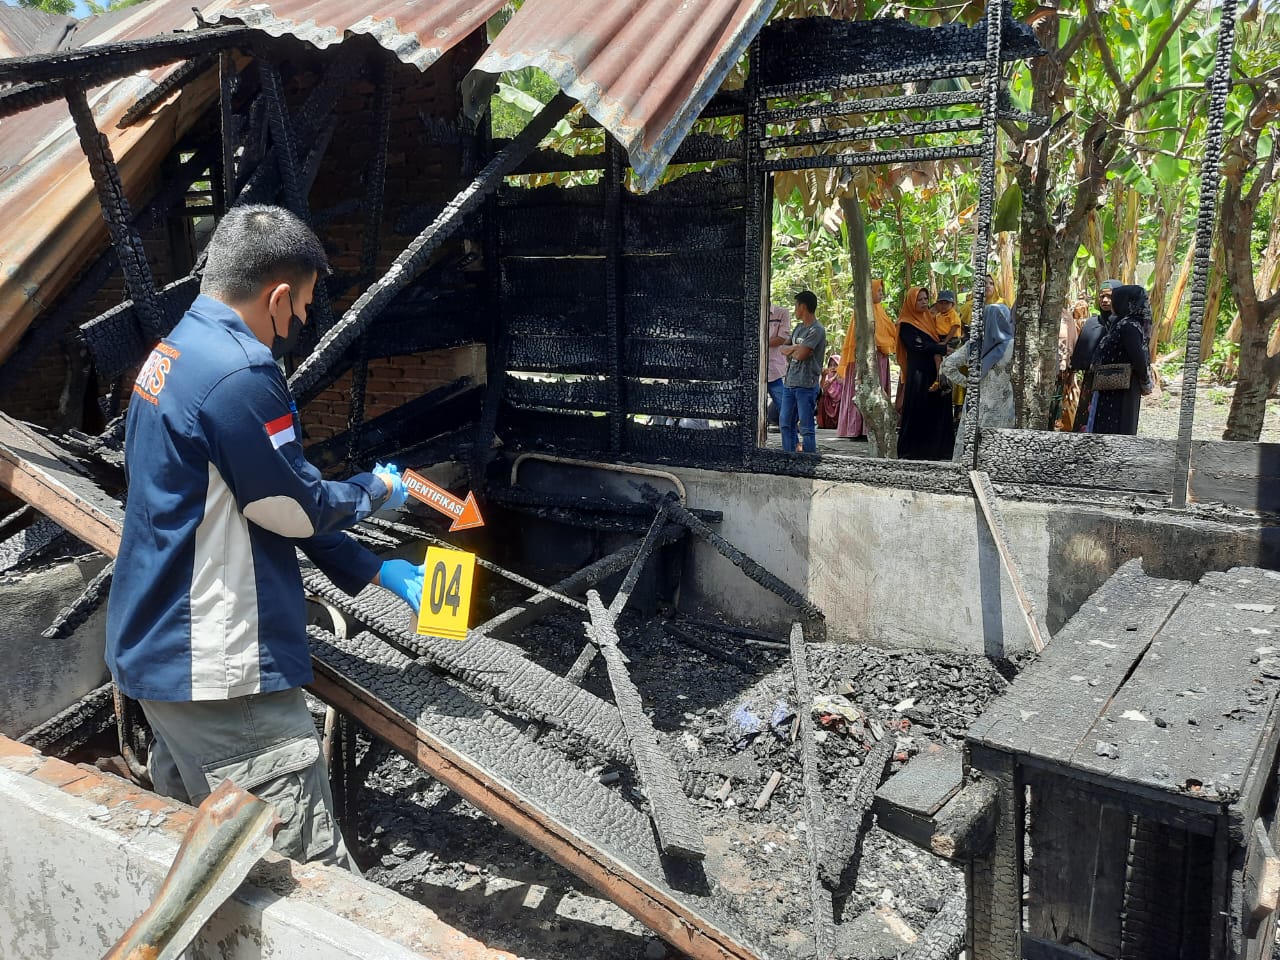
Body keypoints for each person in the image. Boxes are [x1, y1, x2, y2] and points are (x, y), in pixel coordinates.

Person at [105, 205, 425, 872]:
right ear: (279, 295)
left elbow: (257, 498)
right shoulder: (241, 373)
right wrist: (373, 491)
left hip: (163, 658)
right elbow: (294, 509)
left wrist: (371, 569)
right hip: (222, 676)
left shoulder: (175, 353)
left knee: (209, 872)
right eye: (304, 304)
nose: (302, 323)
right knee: (302, 883)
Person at [947, 303, 1015, 460]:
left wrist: (968, 382)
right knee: (998, 447)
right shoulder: (1012, 346)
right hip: (1002, 404)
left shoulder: (973, 346)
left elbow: (947, 366)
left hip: (975, 402)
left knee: (972, 444)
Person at [895, 286, 954, 460]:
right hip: (919, 372)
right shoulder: (905, 323)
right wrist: (942, 349)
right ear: (911, 302)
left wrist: (942, 347)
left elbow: (936, 337)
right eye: (919, 299)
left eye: (925, 299)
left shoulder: (929, 318)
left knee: (937, 408)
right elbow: (917, 345)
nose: (923, 303)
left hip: (934, 371)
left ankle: (938, 450)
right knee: (919, 409)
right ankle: (915, 451)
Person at [1087, 284, 1154, 435]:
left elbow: (1138, 358)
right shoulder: (1125, 324)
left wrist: (1145, 380)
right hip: (1116, 388)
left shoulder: (1127, 326)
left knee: (1117, 430)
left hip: (1121, 390)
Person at [836, 278, 896, 440]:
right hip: (863, 359)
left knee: (876, 392)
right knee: (861, 391)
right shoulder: (861, 311)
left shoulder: (880, 311)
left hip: (880, 358)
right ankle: (856, 429)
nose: (881, 294)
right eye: (879, 291)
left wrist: (886, 343)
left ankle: (872, 428)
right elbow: (861, 336)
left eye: (882, 291)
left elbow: (889, 333)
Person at [779, 290, 827, 454]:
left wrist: (793, 350)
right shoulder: (798, 328)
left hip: (806, 385)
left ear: (803, 307)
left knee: (806, 427)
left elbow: (801, 355)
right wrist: (794, 347)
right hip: (790, 383)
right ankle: (789, 456)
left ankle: (808, 460)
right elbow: (782, 348)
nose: (794, 309)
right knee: (785, 423)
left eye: (796, 306)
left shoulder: (817, 330)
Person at [1069, 279, 1119, 432]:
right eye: (1102, 296)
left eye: (1110, 296)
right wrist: (1071, 377)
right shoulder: (1092, 323)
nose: (1105, 300)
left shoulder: (1123, 325)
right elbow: (1080, 354)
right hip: (1091, 382)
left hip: (1115, 382)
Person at [765, 305, 790, 426]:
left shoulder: (782, 313)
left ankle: (794, 442)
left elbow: (782, 338)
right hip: (752, 372)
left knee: (785, 409)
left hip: (773, 370)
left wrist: (760, 341)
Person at [818, 354, 842, 429]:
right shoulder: (827, 376)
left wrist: (834, 378)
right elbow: (823, 388)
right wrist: (824, 376)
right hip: (828, 401)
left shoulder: (841, 376)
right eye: (830, 365)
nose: (833, 367)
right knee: (822, 398)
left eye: (835, 365)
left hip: (839, 400)